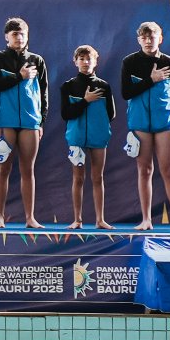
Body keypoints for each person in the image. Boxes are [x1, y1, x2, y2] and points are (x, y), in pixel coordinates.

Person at [123, 21, 170, 231]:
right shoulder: (129, 62)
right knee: (144, 170)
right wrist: (150, 79)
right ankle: (146, 219)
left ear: (160, 39)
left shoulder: (169, 63)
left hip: (164, 124)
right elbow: (126, 93)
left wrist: (169, 117)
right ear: (139, 40)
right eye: (144, 37)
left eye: (152, 37)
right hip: (140, 123)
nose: (148, 41)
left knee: (168, 171)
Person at [0, 17, 49, 228]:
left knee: (27, 170)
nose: (19, 37)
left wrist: (41, 121)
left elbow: (44, 94)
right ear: (7, 37)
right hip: (5, 121)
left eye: (22, 33)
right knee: (3, 169)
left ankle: (30, 218)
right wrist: (19, 76)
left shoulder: (37, 60)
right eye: (15, 34)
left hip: (30, 122)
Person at [59, 45, 116, 231]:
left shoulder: (104, 86)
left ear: (96, 61)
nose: (85, 62)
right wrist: (85, 101)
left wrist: (98, 125)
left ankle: (100, 220)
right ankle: (77, 220)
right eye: (81, 59)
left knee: (98, 177)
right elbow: (66, 114)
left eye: (89, 58)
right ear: (75, 62)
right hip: (76, 138)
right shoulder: (68, 86)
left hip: (98, 137)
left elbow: (111, 113)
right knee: (78, 178)